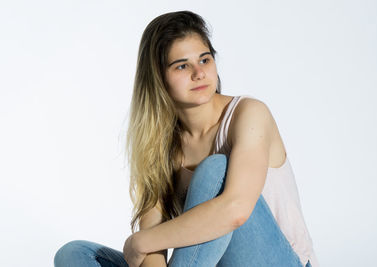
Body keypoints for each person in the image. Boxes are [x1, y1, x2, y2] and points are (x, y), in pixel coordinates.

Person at [54, 10, 319, 267]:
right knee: (76, 254)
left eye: (205, 60)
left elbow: (236, 210)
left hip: (280, 261)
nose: (199, 73)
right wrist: (145, 244)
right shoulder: (159, 144)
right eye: (182, 66)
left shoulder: (248, 114)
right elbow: (152, 250)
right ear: (158, 77)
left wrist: (139, 241)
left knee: (215, 169)